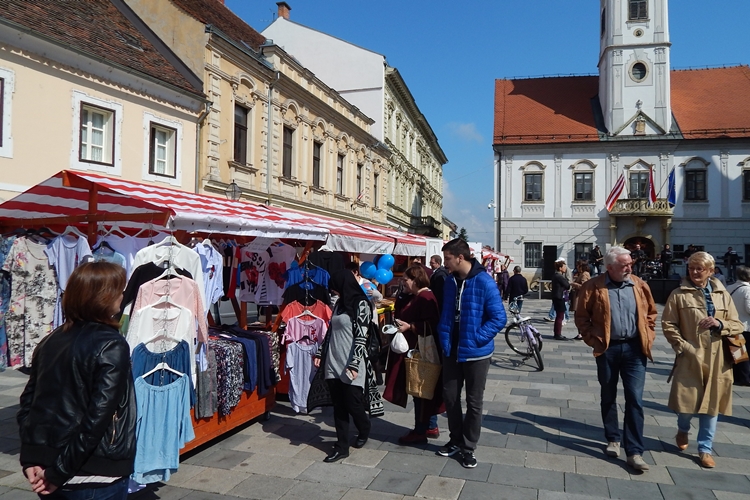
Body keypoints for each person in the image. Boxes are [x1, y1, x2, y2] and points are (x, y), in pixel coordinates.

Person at [18, 261, 136, 499]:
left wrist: (31, 459)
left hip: (47, 467)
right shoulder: (111, 345)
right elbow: (97, 419)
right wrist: (60, 471)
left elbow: (28, 406)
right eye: (119, 290)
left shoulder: (50, 340)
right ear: (104, 296)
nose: (122, 296)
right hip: (93, 473)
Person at [574, 246, 657, 472]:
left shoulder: (639, 284)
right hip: (607, 349)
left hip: (634, 348)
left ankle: (635, 451)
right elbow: (581, 316)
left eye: (630, 264)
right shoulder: (594, 286)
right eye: (624, 265)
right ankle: (612, 438)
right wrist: (593, 339)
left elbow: (651, 312)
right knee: (608, 394)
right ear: (609, 267)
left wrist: (648, 333)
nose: (629, 268)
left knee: (635, 399)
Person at [661, 251, 744, 468]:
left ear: (710, 271)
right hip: (690, 356)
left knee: (711, 405)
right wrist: (684, 347)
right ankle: (683, 429)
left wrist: (720, 324)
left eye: (700, 269)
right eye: (691, 268)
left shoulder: (723, 294)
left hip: (718, 357)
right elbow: (668, 324)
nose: (695, 272)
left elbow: (737, 324)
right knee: (686, 406)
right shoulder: (679, 294)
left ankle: (705, 449)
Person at [436, 238, 506, 468]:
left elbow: (499, 318)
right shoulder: (449, 282)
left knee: (474, 402)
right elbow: (445, 313)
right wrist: (443, 337)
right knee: (450, 397)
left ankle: (468, 447)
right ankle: (455, 440)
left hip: (476, 353)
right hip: (451, 349)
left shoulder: (484, 282)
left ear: (460, 257)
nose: (445, 263)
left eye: (447, 258)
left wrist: (477, 337)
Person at [315, 270, 379, 463]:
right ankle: (342, 446)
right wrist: (320, 352)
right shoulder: (339, 304)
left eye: (335, 288)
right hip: (333, 360)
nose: (334, 292)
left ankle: (364, 426)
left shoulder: (361, 304)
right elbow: (330, 331)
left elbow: (361, 336)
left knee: (353, 402)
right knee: (339, 405)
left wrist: (354, 363)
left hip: (352, 362)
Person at [383, 265, 443, 444]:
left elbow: (432, 324)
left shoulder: (425, 297)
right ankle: (429, 426)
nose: (403, 282)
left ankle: (421, 430)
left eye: (406, 280)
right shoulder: (416, 296)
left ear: (416, 280)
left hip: (421, 353)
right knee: (422, 390)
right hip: (415, 350)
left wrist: (410, 327)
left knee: (421, 390)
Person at [727, 266, 750, 386]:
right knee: (747, 354)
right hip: (746, 326)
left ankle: (737, 376)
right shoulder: (747, 290)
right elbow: (749, 308)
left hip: (733, 325)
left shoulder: (729, 288)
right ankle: (745, 377)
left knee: (738, 353)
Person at [545, 258, 571, 324]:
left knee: (564, 306)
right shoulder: (558, 275)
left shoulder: (564, 271)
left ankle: (564, 317)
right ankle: (556, 317)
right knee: (561, 312)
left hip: (562, 293)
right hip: (560, 294)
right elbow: (566, 284)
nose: (565, 268)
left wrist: (569, 287)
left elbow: (569, 280)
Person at [570, 260, 591, 340]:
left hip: (580, 297)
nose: (577, 267)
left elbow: (584, 286)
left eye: (578, 266)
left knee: (579, 316)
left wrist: (574, 284)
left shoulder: (585, 274)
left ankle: (582, 333)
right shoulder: (581, 274)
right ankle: (580, 333)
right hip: (578, 296)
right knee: (577, 315)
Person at [551, 260, 571, 341]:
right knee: (560, 316)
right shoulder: (559, 276)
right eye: (564, 267)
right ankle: (558, 333)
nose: (565, 268)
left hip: (556, 297)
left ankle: (557, 332)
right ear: (560, 268)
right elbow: (567, 285)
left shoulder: (556, 275)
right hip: (559, 297)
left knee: (559, 315)